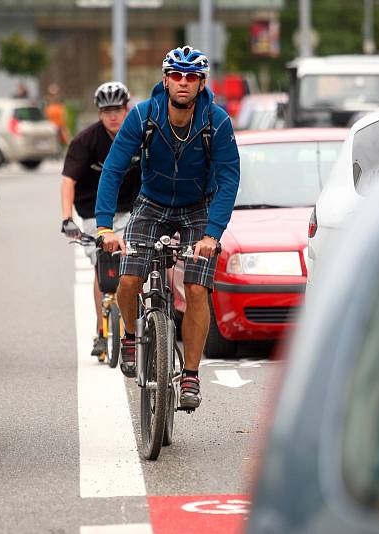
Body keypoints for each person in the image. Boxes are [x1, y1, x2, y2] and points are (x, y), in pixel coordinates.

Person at [95, 46, 240, 410]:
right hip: (151, 202)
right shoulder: (143, 116)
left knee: (195, 289)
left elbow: (228, 178)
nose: (183, 83)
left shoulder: (217, 122)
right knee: (128, 281)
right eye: (176, 75)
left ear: (202, 83)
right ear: (165, 79)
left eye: (191, 77)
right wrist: (104, 227)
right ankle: (130, 335)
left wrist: (213, 235)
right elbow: (112, 169)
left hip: (198, 208)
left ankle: (190, 374)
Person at [60, 81, 140, 358]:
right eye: (107, 111)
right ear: (99, 113)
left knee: (134, 261)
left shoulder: (139, 135)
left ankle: (135, 323)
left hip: (132, 210)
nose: (113, 116)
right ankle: (103, 330)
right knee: (103, 264)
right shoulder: (85, 141)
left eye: (118, 109)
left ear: (128, 109)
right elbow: (68, 180)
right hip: (94, 213)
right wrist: (67, 218)